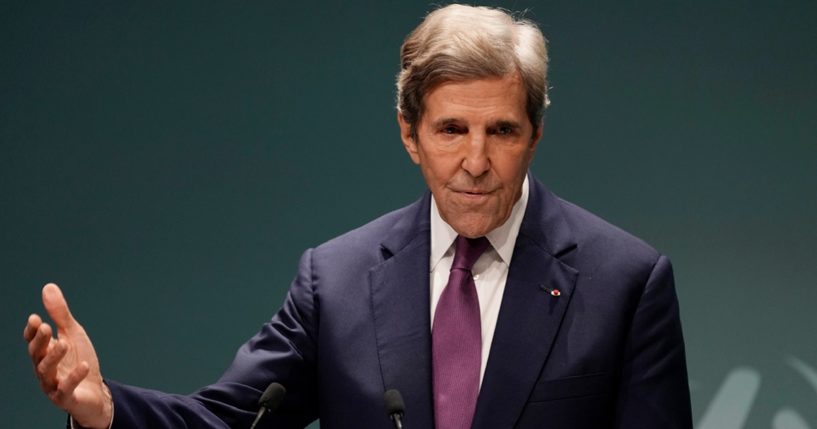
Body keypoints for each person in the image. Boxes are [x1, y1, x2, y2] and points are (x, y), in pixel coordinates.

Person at [24, 4, 692, 428]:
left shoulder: (624, 283)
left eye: (502, 131)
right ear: (409, 135)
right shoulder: (336, 279)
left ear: (536, 135)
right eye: (451, 129)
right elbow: (227, 420)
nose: (475, 160)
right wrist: (104, 408)